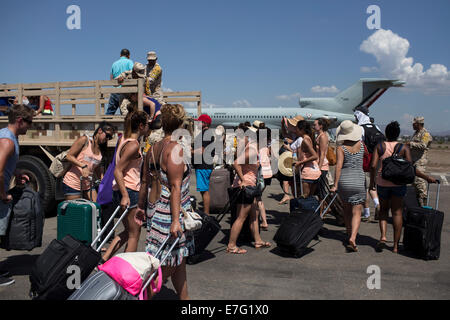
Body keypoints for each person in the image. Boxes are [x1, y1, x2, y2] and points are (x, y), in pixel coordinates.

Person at [145, 104, 194, 300]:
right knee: (164, 266)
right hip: (169, 213)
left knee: (178, 261)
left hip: (156, 208)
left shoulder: (154, 148)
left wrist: (141, 208)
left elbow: (144, 182)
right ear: (180, 124)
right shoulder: (174, 149)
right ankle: (140, 295)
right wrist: (175, 221)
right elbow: (175, 186)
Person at [369, 121, 436, 253]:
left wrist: (372, 182)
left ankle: (382, 237)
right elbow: (410, 168)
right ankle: (395, 246)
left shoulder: (380, 146)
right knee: (397, 212)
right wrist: (427, 177)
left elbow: (372, 166)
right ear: (398, 134)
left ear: (386, 133)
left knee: (383, 211)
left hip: (383, 183)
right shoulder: (403, 148)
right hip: (399, 184)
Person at [102, 109, 149, 261]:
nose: (149, 127)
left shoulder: (123, 139)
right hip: (129, 191)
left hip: (122, 190)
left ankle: (105, 258)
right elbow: (118, 170)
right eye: (147, 124)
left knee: (128, 231)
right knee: (134, 234)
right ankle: (128, 270)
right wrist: (125, 195)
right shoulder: (133, 145)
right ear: (141, 126)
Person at [0, 104, 34, 287]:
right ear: (20, 120)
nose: (30, 126)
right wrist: (3, 194)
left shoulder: (7, 135)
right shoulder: (8, 141)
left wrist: (16, 172)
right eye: (29, 122)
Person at [227, 126, 271, 254]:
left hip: (251, 186)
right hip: (245, 187)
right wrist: (243, 180)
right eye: (268, 140)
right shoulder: (252, 150)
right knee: (241, 217)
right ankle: (231, 245)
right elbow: (236, 163)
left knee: (254, 215)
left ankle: (258, 240)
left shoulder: (254, 148)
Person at [331, 120, 365, 252]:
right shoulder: (361, 145)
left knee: (346, 209)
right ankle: (353, 237)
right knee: (357, 212)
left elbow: (338, 166)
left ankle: (348, 232)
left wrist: (335, 184)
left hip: (345, 180)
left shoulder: (341, 148)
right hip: (358, 179)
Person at [62, 122, 115, 201]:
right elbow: (69, 156)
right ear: (100, 130)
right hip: (73, 183)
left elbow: (96, 167)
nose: (107, 139)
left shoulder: (102, 149)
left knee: (96, 208)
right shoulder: (85, 140)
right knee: (76, 211)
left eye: (110, 137)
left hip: (88, 184)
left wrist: (103, 181)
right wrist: (83, 166)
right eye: (107, 135)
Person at [354, 106, 382, 222]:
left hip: (365, 161)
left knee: (364, 187)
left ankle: (366, 213)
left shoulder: (360, 128)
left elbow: (359, 145)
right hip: (377, 160)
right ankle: (377, 204)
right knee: (373, 186)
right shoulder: (376, 127)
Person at [406, 116, 433, 207]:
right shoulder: (415, 133)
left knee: (419, 182)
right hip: (413, 161)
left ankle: (423, 203)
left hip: (420, 162)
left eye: (414, 124)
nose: (412, 125)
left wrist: (410, 144)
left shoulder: (425, 134)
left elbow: (423, 145)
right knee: (413, 182)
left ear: (418, 124)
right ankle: (417, 204)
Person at [193, 114, 214, 215]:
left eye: (199, 122)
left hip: (203, 165)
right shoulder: (205, 133)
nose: (197, 123)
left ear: (205, 123)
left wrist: (190, 151)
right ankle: (206, 212)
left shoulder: (206, 134)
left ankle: (206, 214)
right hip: (203, 165)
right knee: (203, 190)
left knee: (204, 191)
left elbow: (202, 150)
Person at [293, 120, 321, 198]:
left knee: (305, 198)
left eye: (297, 129)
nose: (296, 131)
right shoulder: (309, 138)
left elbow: (315, 156)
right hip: (314, 171)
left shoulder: (305, 140)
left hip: (308, 172)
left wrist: (300, 162)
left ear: (302, 130)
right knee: (310, 198)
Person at [106, 49, 134, 115]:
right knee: (126, 112)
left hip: (115, 91)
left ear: (120, 55)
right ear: (129, 56)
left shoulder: (114, 64)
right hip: (126, 91)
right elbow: (133, 73)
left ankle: (105, 124)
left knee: (110, 112)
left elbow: (111, 78)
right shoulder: (129, 62)